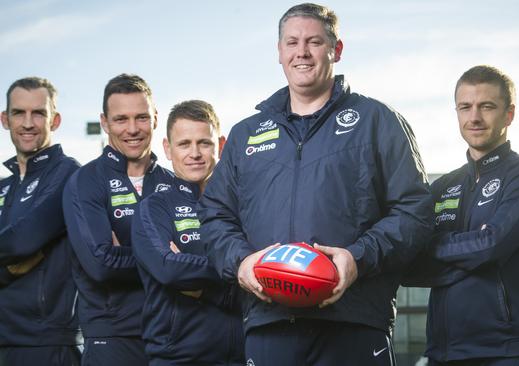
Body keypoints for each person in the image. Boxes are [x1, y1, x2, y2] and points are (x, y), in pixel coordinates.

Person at [198, 3, 433, 366]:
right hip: (269, 323)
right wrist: (241, 262)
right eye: (291, 42)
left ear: (336, 49)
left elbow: (415, 212)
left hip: (354, 323)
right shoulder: (246, 135)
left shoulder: (377, 121)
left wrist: (358, 259)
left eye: (314, 41)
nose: (302, 52)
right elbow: (215, 216)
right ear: (279, 52)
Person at [404, 65, 519, 366]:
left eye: (486, 106)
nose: (474, 117)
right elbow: (410, 266)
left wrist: (437, 246)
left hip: (507, 353)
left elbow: (490, 244)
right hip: (441, 353)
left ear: (509, 114)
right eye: (465, 107)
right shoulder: (444, 186)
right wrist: (474, 252)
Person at [63, 74, 174, 366]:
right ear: (104, 122)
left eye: (141, 117)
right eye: (121, 119)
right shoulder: (85, 181)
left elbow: (198, 256)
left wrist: (125, 250)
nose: (133, 129)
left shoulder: (174, 184)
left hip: (174, 335)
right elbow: (100, 264)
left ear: (155, 118)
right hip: (113, 338)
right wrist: (167, 258)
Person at [131, 100, 244, 365]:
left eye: (204, 143)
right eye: (184, 144)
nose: (195, 153)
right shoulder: (154, 207)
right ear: (168, 149)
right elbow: (168, 268)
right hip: (178, 358)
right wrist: (240, 269)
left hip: (244, 355)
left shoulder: (244, 206)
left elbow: (265, 274)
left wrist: (204, 288)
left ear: (222, 144)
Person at [0, 77, 81, 365]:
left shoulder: (68, 174)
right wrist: (8, 271)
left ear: (55, 120)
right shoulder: (3, 187)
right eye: (18, 113)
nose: (28, 123)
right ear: (5, 119)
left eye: (39, 113)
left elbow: (23, 240)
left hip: (45, 344)